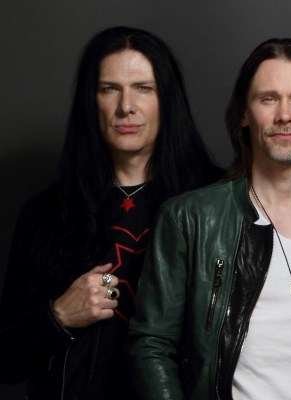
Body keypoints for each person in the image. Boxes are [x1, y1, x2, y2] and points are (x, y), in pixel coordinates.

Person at [128, 38, 291, 399]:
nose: (284, 115)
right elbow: (151, 343)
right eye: (268, 99)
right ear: (244, 114)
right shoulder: (189, 218)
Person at [0, 26, 219, 399]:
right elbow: (6, 362)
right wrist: (58, 316)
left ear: (167, 100)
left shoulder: (215, 202)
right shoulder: (46, 214)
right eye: (109, 89)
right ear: (91, 101)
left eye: (143, 88)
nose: (126, 106)